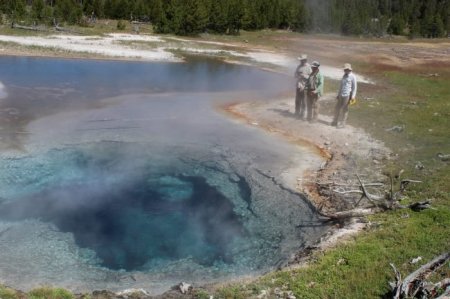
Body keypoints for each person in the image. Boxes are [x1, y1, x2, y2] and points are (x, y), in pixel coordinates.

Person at [332, 63, 357, 128]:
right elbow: (341, 86)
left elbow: (354, 88)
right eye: (344, 69)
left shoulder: (353, 76)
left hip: (347, 95)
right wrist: (338, 94)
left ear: (349, 69)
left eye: (346, 69)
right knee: (337, 108)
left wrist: (353, 97)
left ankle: (343, 124)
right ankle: (335, 121)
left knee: (345, 109)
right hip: (341, 94)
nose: (345, 70)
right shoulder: (344, 75)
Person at [294, 54, 312, 119]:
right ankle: (296, 112)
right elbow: (295, 75)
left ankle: (302, 114)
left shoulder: (309, 67)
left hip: (305, 87)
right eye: (300, 60)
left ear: (305, 60)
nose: (300, 61)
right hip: (298, 85)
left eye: (301, 60)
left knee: (304, 101)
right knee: (297, 100)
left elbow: (311, 78)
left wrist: (304, 76)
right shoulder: (298, 66)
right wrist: (298, 75)